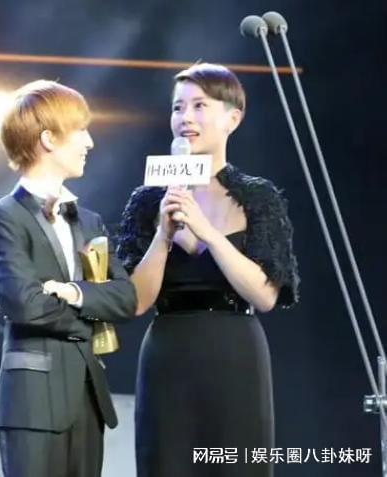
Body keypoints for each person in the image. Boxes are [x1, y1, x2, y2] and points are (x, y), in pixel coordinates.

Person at [117, 63, 299, 477]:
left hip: (233, 352)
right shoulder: (148, 200)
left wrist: (209, 233)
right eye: (178, 107)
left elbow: (265, 295)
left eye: (199, 106)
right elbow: (136, 302)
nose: (186, 118)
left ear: (232, 118)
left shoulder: (257, 196)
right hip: (168, 352)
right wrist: (163, 234)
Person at [0, 79, 137, 477]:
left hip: (87, 398)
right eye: (81, 130)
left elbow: (126, 298)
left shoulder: (90, 220)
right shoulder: (3, 217)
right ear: (48, 138)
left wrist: (73, 293)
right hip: (32, 402)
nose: (90, 142)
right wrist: (91, 313)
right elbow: (25, 305)